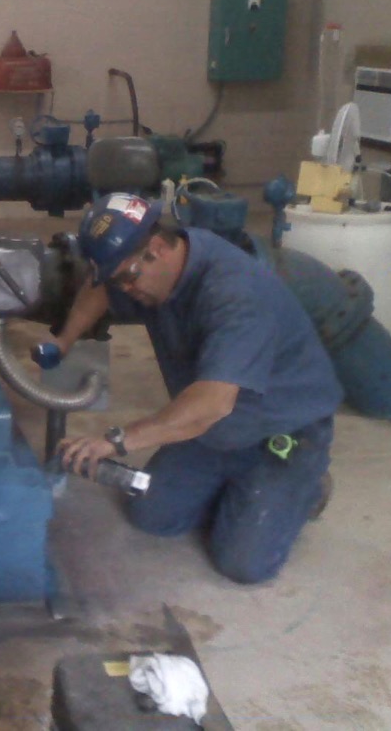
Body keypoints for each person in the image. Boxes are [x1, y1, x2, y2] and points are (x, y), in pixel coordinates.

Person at [49, 192, 342, 583]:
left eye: (127, 278)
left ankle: (306, 487)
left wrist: (116, 441)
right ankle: (239, 495)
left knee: (242, 564)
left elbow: (210, 404)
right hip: (215, 430)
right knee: (152, 516)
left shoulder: (235, 295)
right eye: (118, 278)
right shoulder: (157, 268)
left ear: (157, 248)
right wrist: (64, 341)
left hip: (280, 430)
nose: (124, 289)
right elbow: (99, 286)